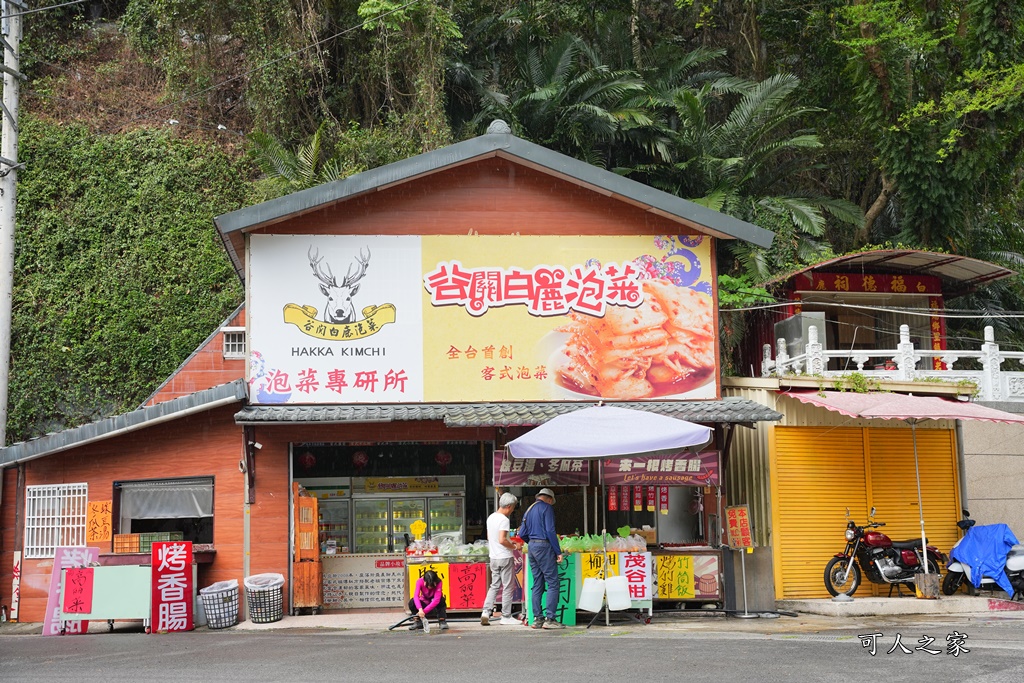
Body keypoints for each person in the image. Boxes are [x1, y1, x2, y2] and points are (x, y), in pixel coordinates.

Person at [516, 488, 565, 629]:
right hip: (544, 546)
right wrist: (558, 551)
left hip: (531, 547)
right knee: (553, 582)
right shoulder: (547, 508)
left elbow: (522, 533)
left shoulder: (529, 510)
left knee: (538, 583)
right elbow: (550, 530)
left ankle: (537, 619)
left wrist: (532, 542)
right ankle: (550, 619)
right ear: (549, 499)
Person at [480, 492, 521, 626]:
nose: (513, 510)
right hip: (504, 556)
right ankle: (506, 616)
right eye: (513, 507)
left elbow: (489, 537)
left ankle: (486, 611)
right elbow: (502, 539)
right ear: (508, 506)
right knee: (508, 587)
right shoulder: (504, 520)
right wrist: (514, 546)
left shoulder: (491, 517)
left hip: (493, 557)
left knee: (494, 585)